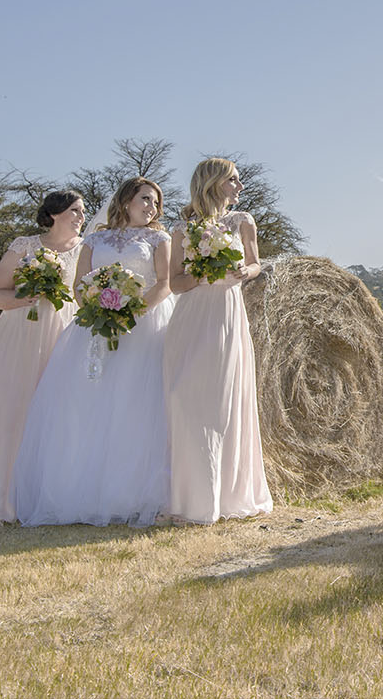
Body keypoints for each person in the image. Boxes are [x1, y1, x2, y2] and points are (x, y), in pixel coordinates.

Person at [11, 177, 175, 527]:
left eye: (156, 203)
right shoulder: (95, 239)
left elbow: (163, 284)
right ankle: (87, 490)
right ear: (126, 200)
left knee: (137, 404)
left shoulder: (160, 238)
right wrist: (101, 308)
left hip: (144, 326)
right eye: (145, 199)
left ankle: (135, 494)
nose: (152, 207)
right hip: (95, 325)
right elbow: (78, 283)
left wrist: (130, 312)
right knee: (88, 406)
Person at [0, 190, 86, 527]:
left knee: (57, 414)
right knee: (13, 411)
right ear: (54, 214)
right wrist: (29, 293)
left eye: (83, 211)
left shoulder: (86, 249)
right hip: (21, 333)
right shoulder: (25, 246)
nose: (81, 217)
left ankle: (47, 498)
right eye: (75, 210)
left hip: (64, 334)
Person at [161, 157, 273, 524]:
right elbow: (174, 283)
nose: (239, 187)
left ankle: (224, 497)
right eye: (233, 181)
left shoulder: (243, 222)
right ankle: (189, 496)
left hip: (226, 314)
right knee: (181, 396)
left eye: (239, 181)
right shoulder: (180, 228)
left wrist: (243, 270)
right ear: (212, 183)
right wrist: (201, 275)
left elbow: (257, 265)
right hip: (191, 315)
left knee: (222, 402)